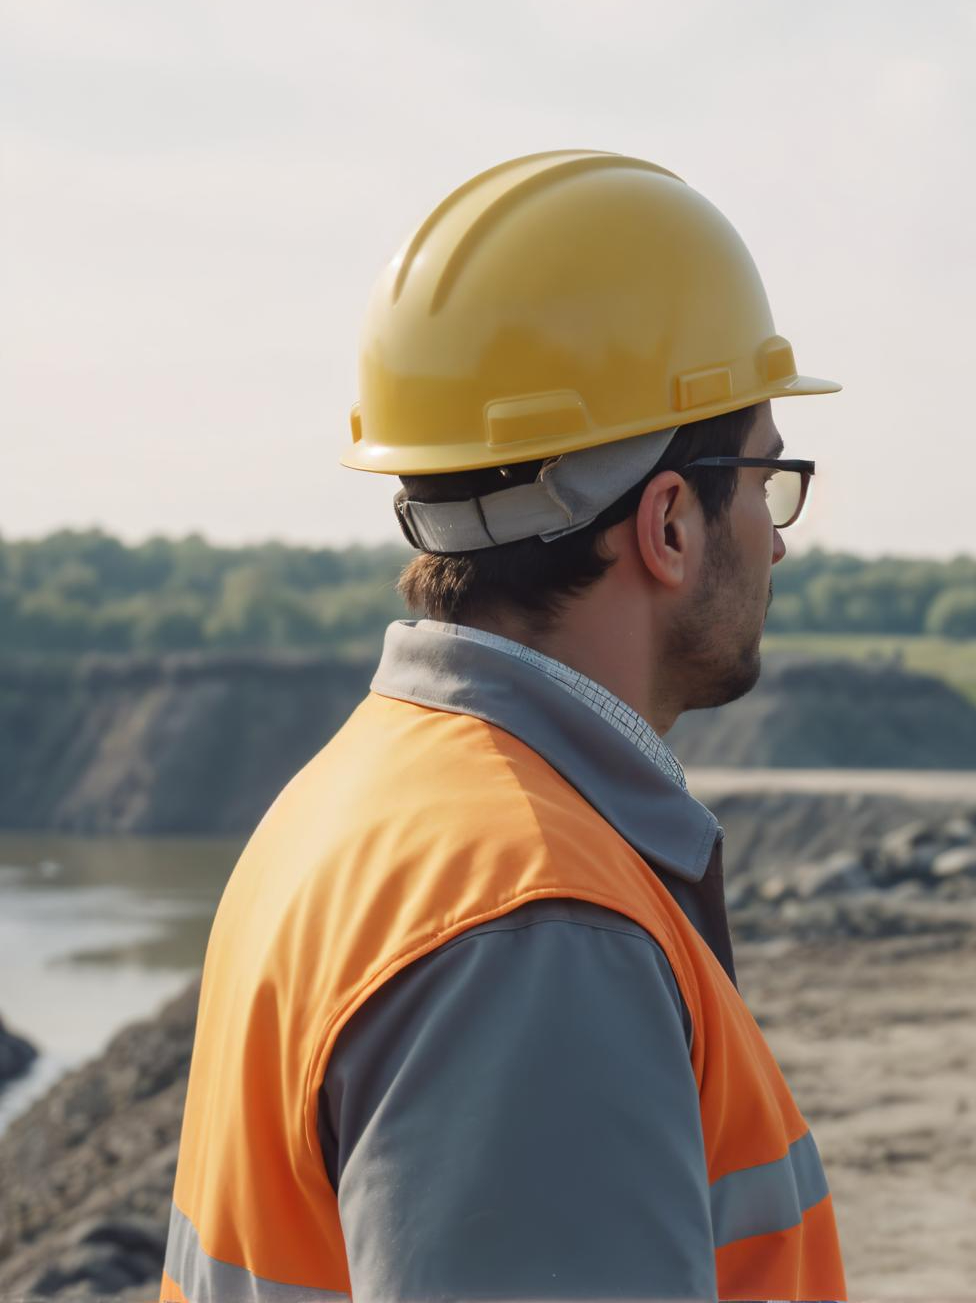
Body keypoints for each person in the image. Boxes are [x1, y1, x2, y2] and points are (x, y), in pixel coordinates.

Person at [162, 151, 846, 1302]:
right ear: (669, 523)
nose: (776, 539)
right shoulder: (534, 935)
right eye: (766, 481)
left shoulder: (369, 792)